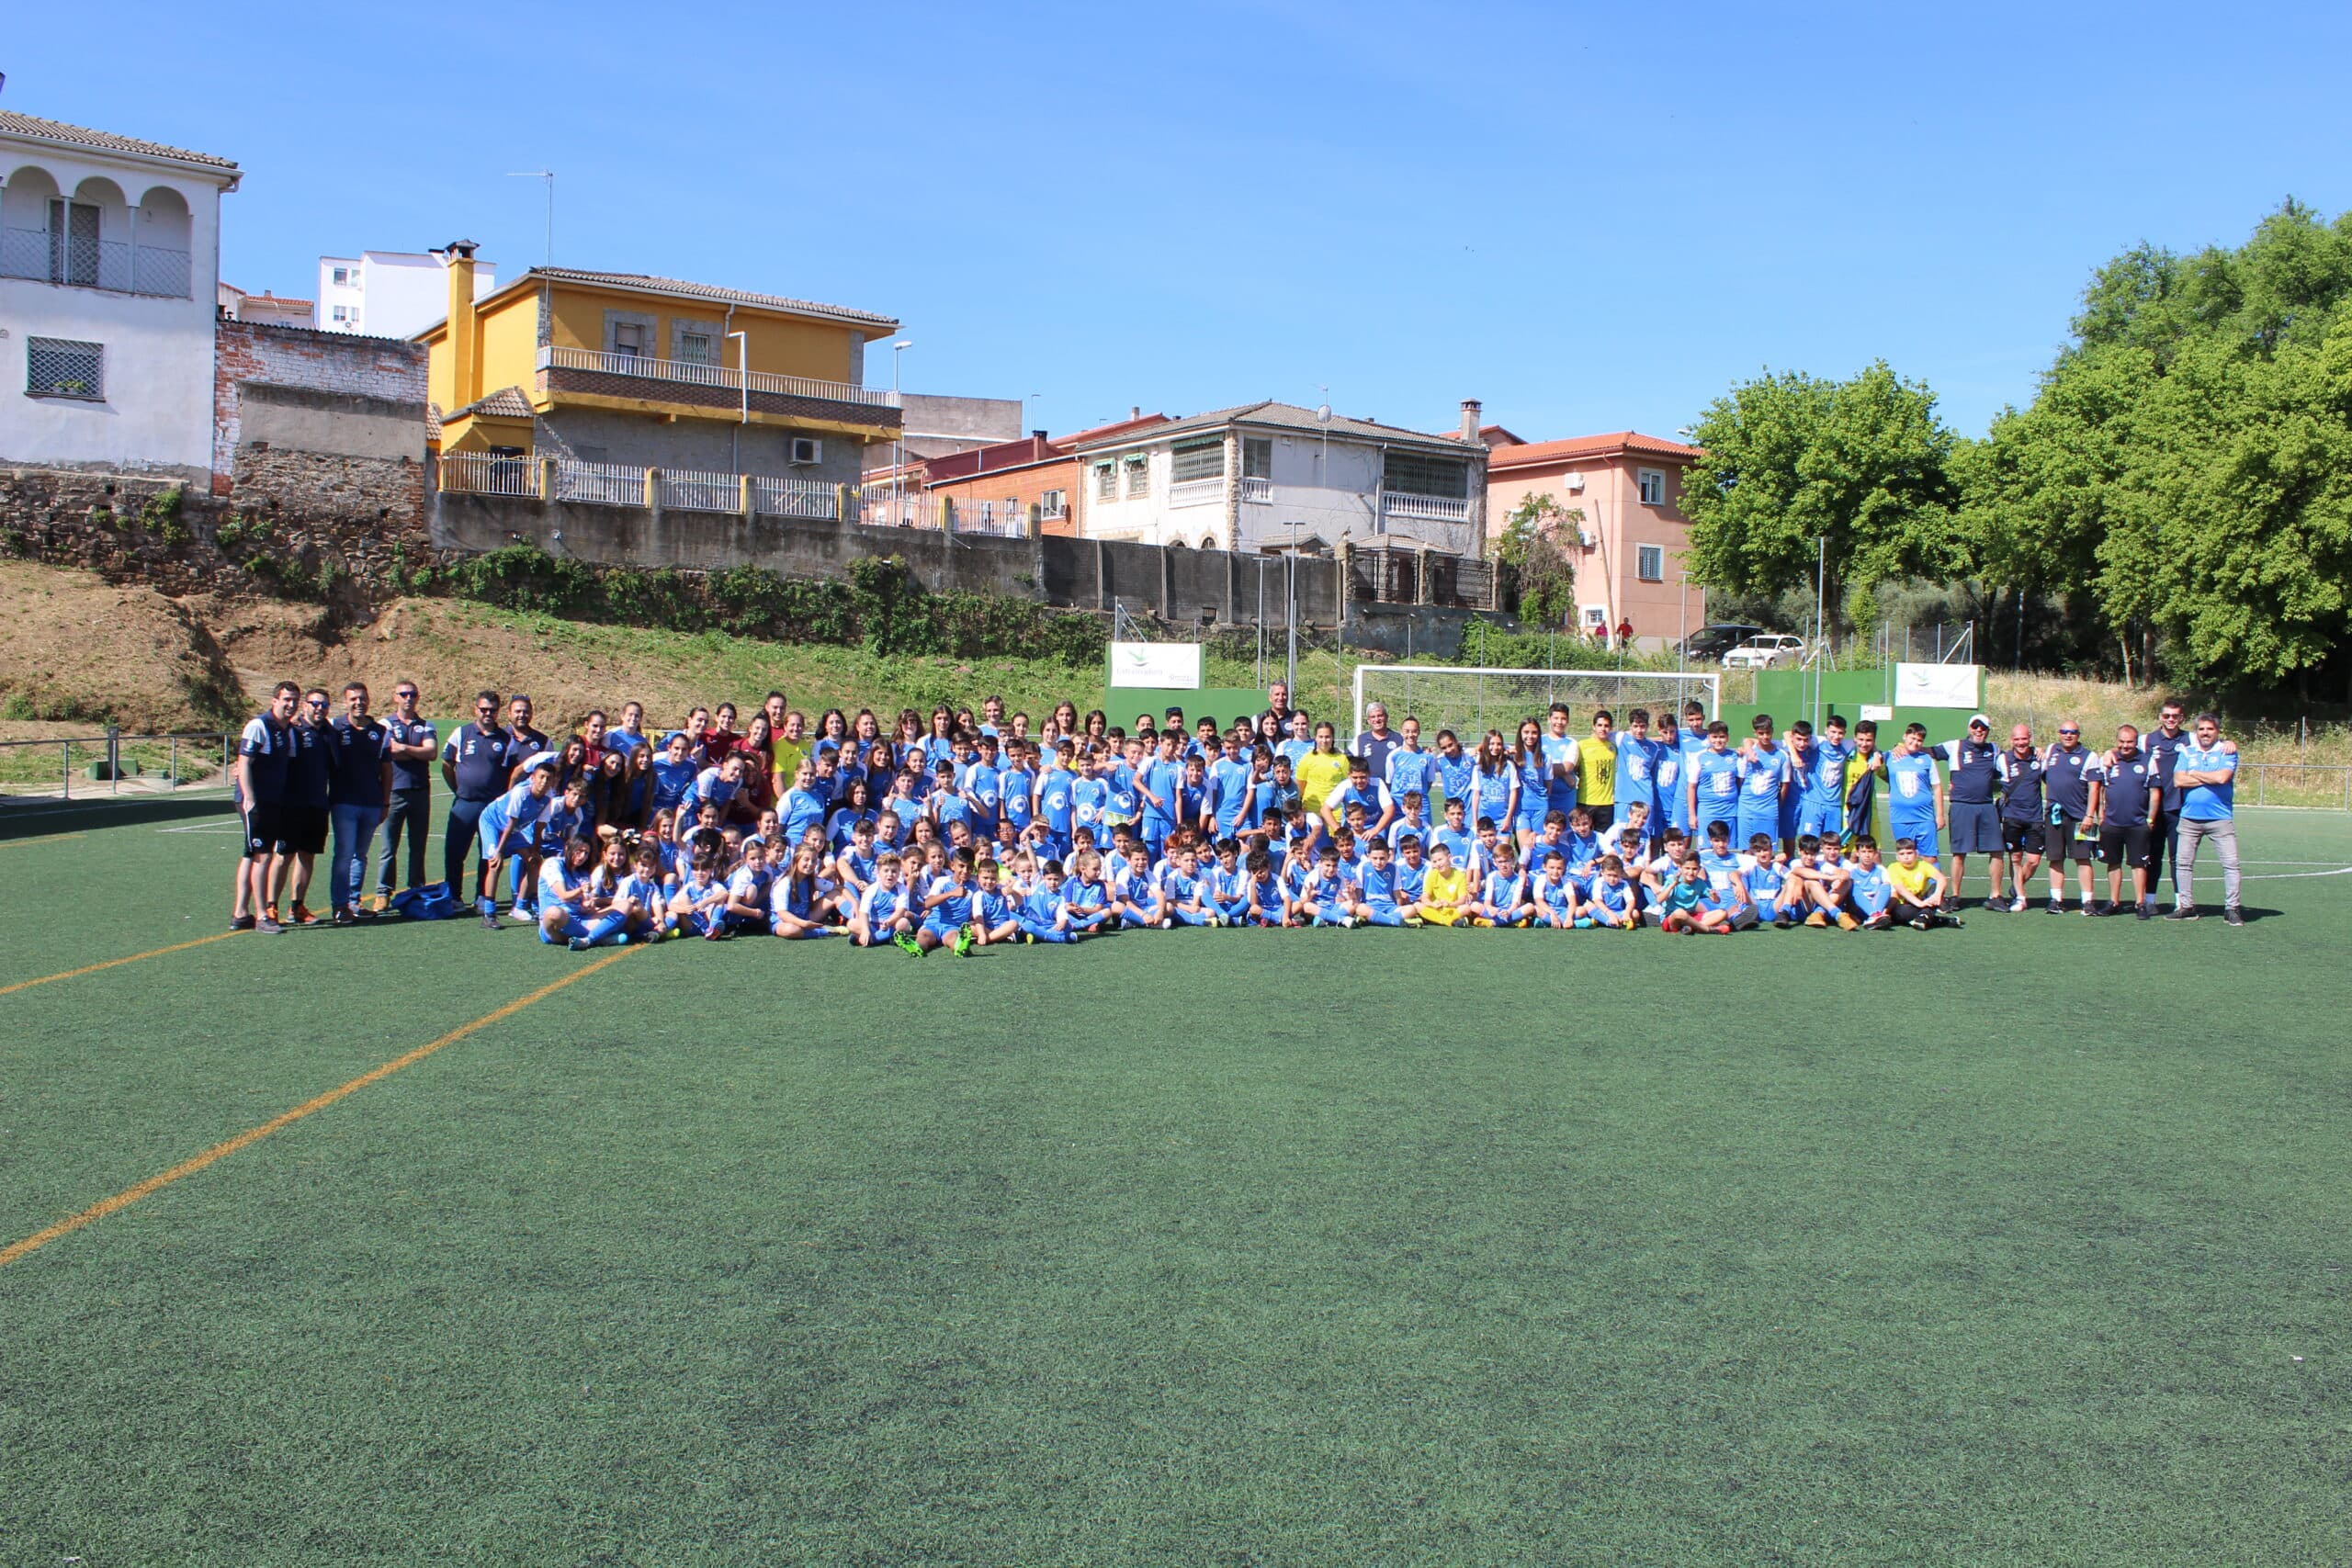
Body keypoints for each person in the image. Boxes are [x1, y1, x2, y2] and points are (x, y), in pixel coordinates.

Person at [232, 681, 300, 932]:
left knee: (251, 853)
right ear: (274, 701)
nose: (291, 705)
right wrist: (250, 799)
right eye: (286, 700)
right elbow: (244, 763)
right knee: (263, 856)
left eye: (295, 700)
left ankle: (240, 913)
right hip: (257, 802)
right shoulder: (259, 726)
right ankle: (262, 916)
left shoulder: (288, 731)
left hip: (274, 801)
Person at [442, 691, 514, 916]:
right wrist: (458, 789)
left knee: (488, 853)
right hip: (465, 803)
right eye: (483, 709)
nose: (487, 714)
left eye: (492, 710)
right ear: (476, 709)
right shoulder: (461, 733)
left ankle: (482, 896)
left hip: (492, 808)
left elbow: (511, 772)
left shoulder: (506, 739)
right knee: (455, 851)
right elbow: (446, 764)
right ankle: (454, 896)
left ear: (498, 712)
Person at [325, 682, 392, 926]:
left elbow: (387, 769)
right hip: (344, 802)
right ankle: (340, 905)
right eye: (353, 699)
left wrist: (385, 802)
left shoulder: (380, 731)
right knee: (344, 854)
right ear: (346, 701)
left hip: (371, 803)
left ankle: (354, 902)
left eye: (362, 698)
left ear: (369, 700)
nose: (359, 703)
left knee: (360, 855)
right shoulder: (334, 727)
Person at [2167, 712, 2242, 925]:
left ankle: (2232, 908)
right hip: (2189, 818)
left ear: (2217, 731)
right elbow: (2178, 780)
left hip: (2220, 819)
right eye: (2201, 729)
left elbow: (2222, 777)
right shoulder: (2187, 752)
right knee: (2183, 864)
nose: (2205, 733)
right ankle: (2186, 906)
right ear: (2196, 732)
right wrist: (2207, 777)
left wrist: (2195, 773)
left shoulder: (2227, 750)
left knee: (2231, 864)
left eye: (2210, 729)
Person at [373, 680, 436, 912]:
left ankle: (416, 888)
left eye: (413, 694)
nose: (408, 698)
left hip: (420, 792)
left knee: (418, 845)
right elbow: (389, 752)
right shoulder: (385, 723)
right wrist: (414, 752)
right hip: (394, 792)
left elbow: (431, 752)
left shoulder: (425, 724)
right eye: (404, 694)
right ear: (395, 697)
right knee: (389, 846)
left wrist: (405, 749)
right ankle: (383, 892)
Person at [1931, 714, 2006, 908]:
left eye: (1983, 728)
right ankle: (1955, 896)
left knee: (1997, 851)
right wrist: (1901, 747)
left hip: (1986, 806)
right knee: (1959, 853)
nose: (1979, 730)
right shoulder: (1954, 746)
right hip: (1962, 806)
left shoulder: (1994, 750)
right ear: (1969, 728)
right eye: (1975, 726)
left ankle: (1996, 896)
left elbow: (2013, 762)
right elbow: (1928, 751)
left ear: (1988, 731)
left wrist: (2037, 751)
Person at [2090, 723, 2160, 919]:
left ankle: (2140, 903)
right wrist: (2100, 816)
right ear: (2117, 741)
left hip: (2138, 823)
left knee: (2139, 864)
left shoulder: (2148, 761)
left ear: (2136, 742)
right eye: (2121, 742)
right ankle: (2114, 901)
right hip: (2112, 823)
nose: (2125, 746)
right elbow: (2101, 790)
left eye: (2129, 742)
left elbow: (2155, 793)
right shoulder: (2108, 761)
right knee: (2113, 863)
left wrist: (2151, 818)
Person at [280, 688, 335, 925]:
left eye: (323, 705)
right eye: (314, 703)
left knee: (307, 856)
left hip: (317, 805)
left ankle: (297, 907)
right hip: (291, 806)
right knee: (283, 856)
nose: (319, 708)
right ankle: (270, 907)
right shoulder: (292, 731)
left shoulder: (330, 733)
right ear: (305, 706)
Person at [2039, 718, 2099, 914]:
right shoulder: (2050, 751)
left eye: (2072, 732)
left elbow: (2094, 789)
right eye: (2064, 731)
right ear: (2059, 733)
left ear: (2078, 735)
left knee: (2083, 859)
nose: (2068, 734)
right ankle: (2056, 900)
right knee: (2055, 859)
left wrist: (2090, 816)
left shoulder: (2089, 757)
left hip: (2080, 818)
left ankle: (2088, 902)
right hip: (2054, 816)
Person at [2143, 698, 2190, 908]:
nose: (2171, 720)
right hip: (2152, 809)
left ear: (2182, 718)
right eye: (2166, 716)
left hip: (2178, 807)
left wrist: (2228, 743)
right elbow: (2122, 750)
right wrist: (2108, 754)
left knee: (2178, 858)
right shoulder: (2146, 740)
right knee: (2152, 855)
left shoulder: (2192, 739)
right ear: (2160, 717)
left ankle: (2181, 901)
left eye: (2175, 716)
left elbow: (2214, 743)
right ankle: (2149, 900)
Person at [1884, 724, 1944, 863]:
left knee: (1930, 857)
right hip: (1900, 818)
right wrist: (1877, 754)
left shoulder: (1927, 759)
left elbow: (1937, 787)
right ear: (1904, 736)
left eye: (1919, 740)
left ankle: (1931, 885)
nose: (1915, 743)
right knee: (1906, 857)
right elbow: (1873, 754)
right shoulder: (1889, 756)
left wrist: (1940, 815)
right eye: (1912, 738)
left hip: (1924, 818)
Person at [1352, 702, 1400, 781]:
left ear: (1386, 717)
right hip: (1368, 790)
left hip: (1392, 790)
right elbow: (1346, 760)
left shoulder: (1399, 739)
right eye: (1373, 717)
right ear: (1368, 720)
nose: (1377, 719)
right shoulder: (1359, 740)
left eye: (1380, 716)